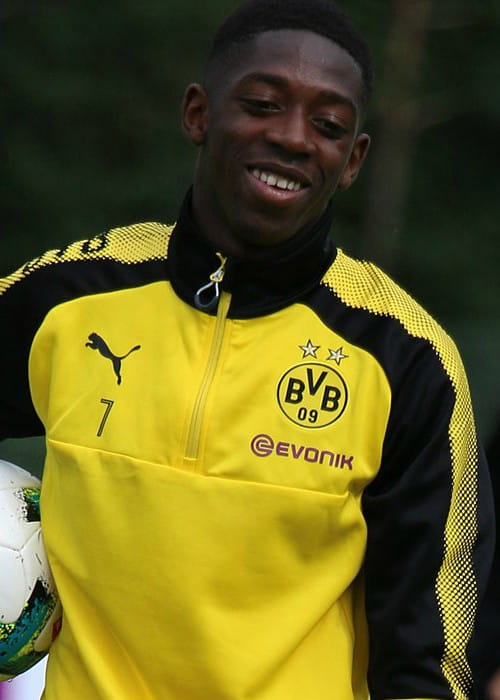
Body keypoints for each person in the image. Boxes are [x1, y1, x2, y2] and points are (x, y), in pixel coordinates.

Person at [0, 0, 493, 698]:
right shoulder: (67, 299)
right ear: (198, 114)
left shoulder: (406, 359)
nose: (294, 138)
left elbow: (426, 655)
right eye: (262, 104)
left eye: (327, 125)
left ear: (352, 160)